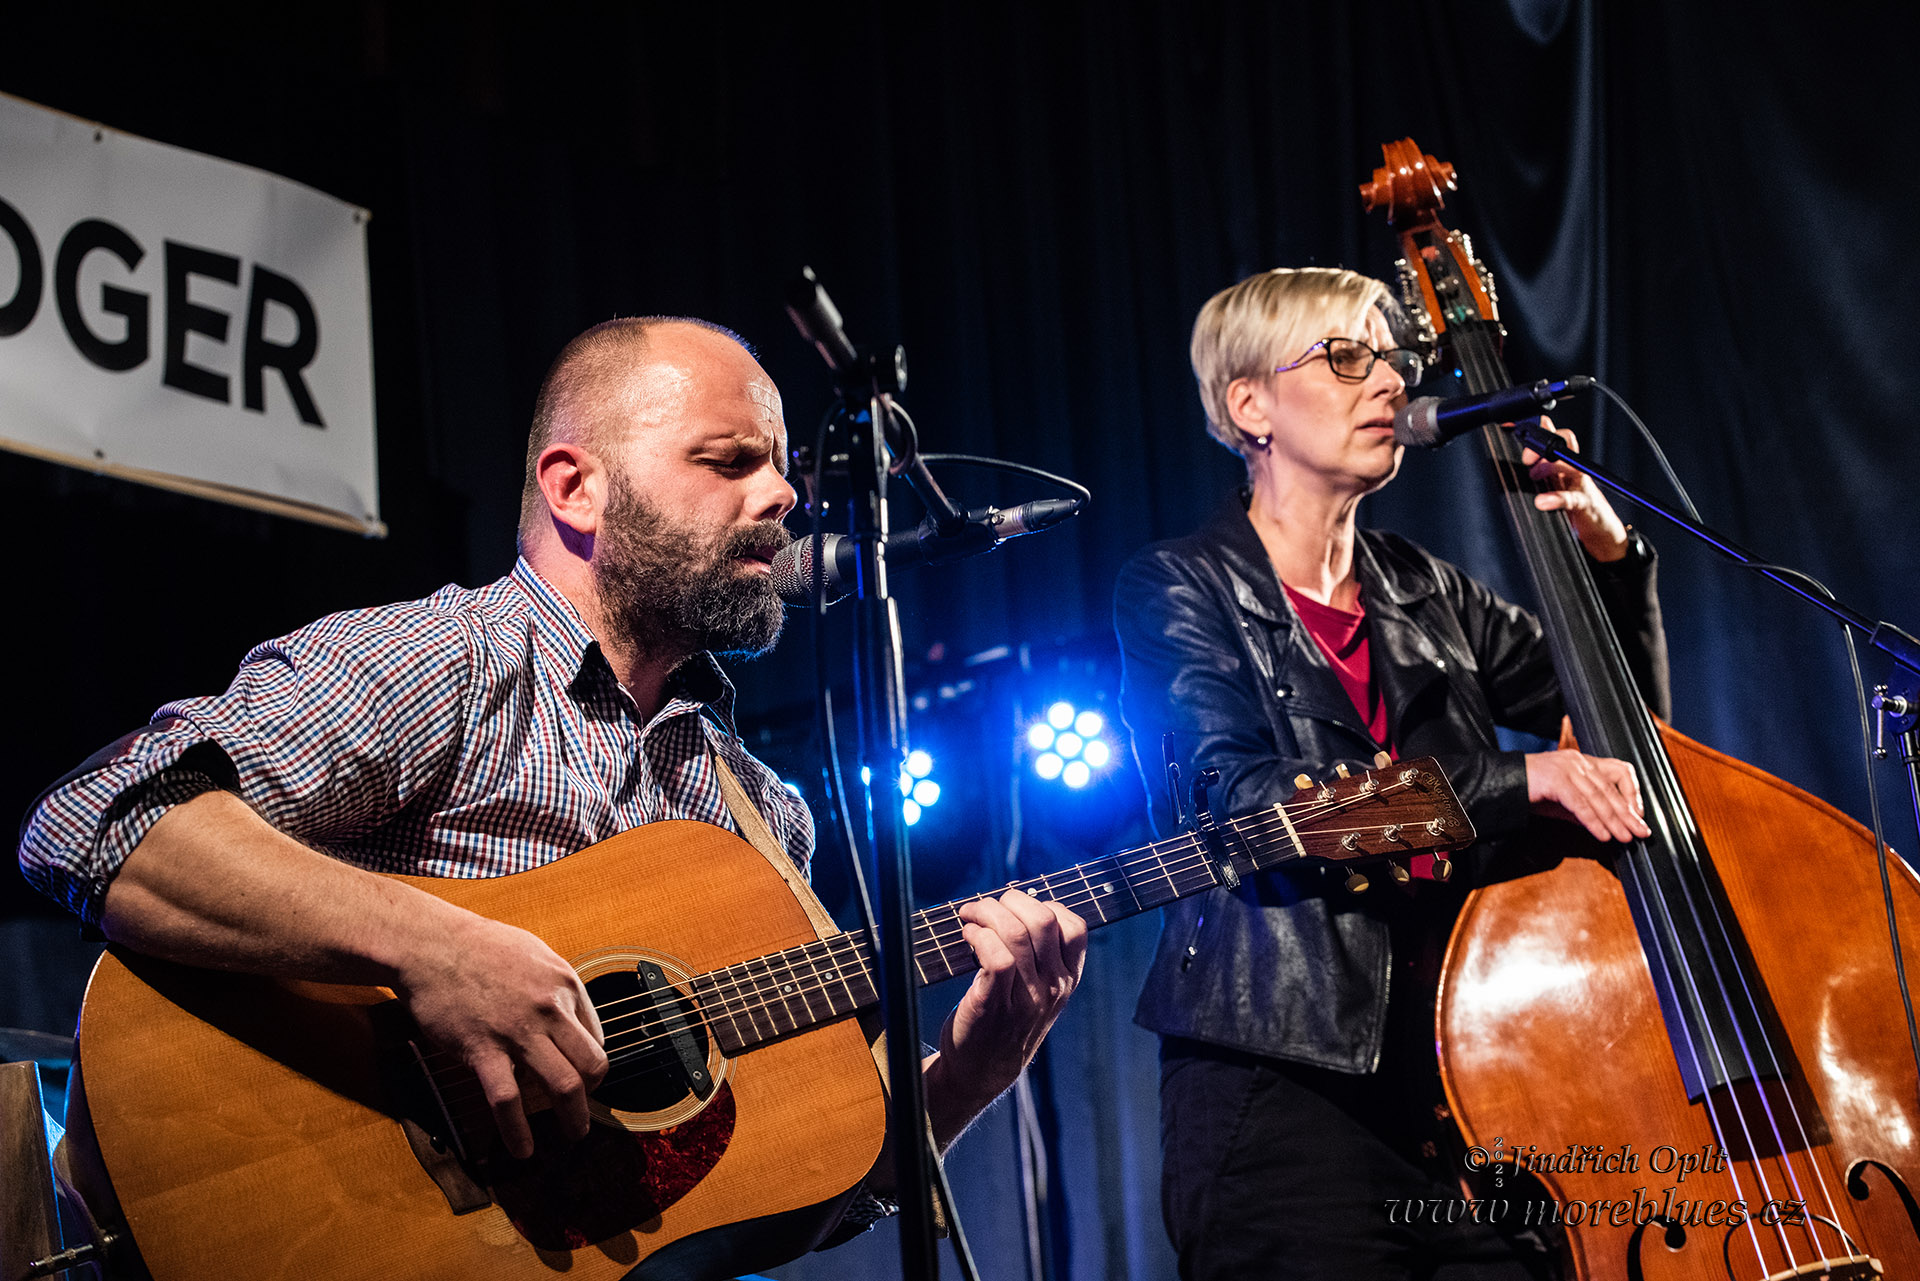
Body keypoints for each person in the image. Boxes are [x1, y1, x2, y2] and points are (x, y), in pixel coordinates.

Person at [18, 316, 1086, 1248]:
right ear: (577, 487)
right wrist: (433, 950)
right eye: (729, 460)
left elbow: (781, 1193)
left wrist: (966, 1079)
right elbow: (96, 819)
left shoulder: (764, 816)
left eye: (780, 466)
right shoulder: (444, 664)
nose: (783, 494)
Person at [1114, 268, 1670, 1280]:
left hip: (1476, 1066)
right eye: (1346, 357)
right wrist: (1518, 782)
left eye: (1392, 359)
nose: (1390, 383)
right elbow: (1244, 805)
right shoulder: (1180, 586)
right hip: (1285, 1090)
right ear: (1251, 406)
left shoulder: (1424, 587)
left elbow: (1618, 731)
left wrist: (1610, 556)